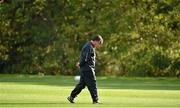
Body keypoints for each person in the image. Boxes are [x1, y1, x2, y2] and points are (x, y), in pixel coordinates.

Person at [67, 35, 103, 104]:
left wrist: (80, 64)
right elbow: (85, 58)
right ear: (96, 41)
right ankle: (95, 100)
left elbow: (85, 57)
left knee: (82, 85)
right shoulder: (89, 47)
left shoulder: (89, 46)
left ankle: (71, 97)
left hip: (85, 69)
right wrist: (80, 64)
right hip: (88, 69)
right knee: (92, 84)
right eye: (99, 43)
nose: (98, 45)